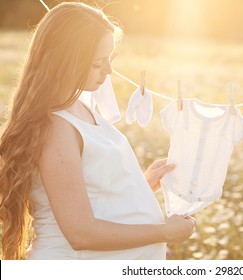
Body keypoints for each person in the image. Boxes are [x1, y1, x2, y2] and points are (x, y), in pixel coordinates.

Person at [0, 2, 195, 260]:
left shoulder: (79, 108)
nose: (109, 71)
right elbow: (81, 233)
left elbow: (89, 193)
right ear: (67, 60)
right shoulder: (56, 128)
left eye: (110, 60)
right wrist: (164, 232)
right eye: (98, 62)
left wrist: (142, 185)